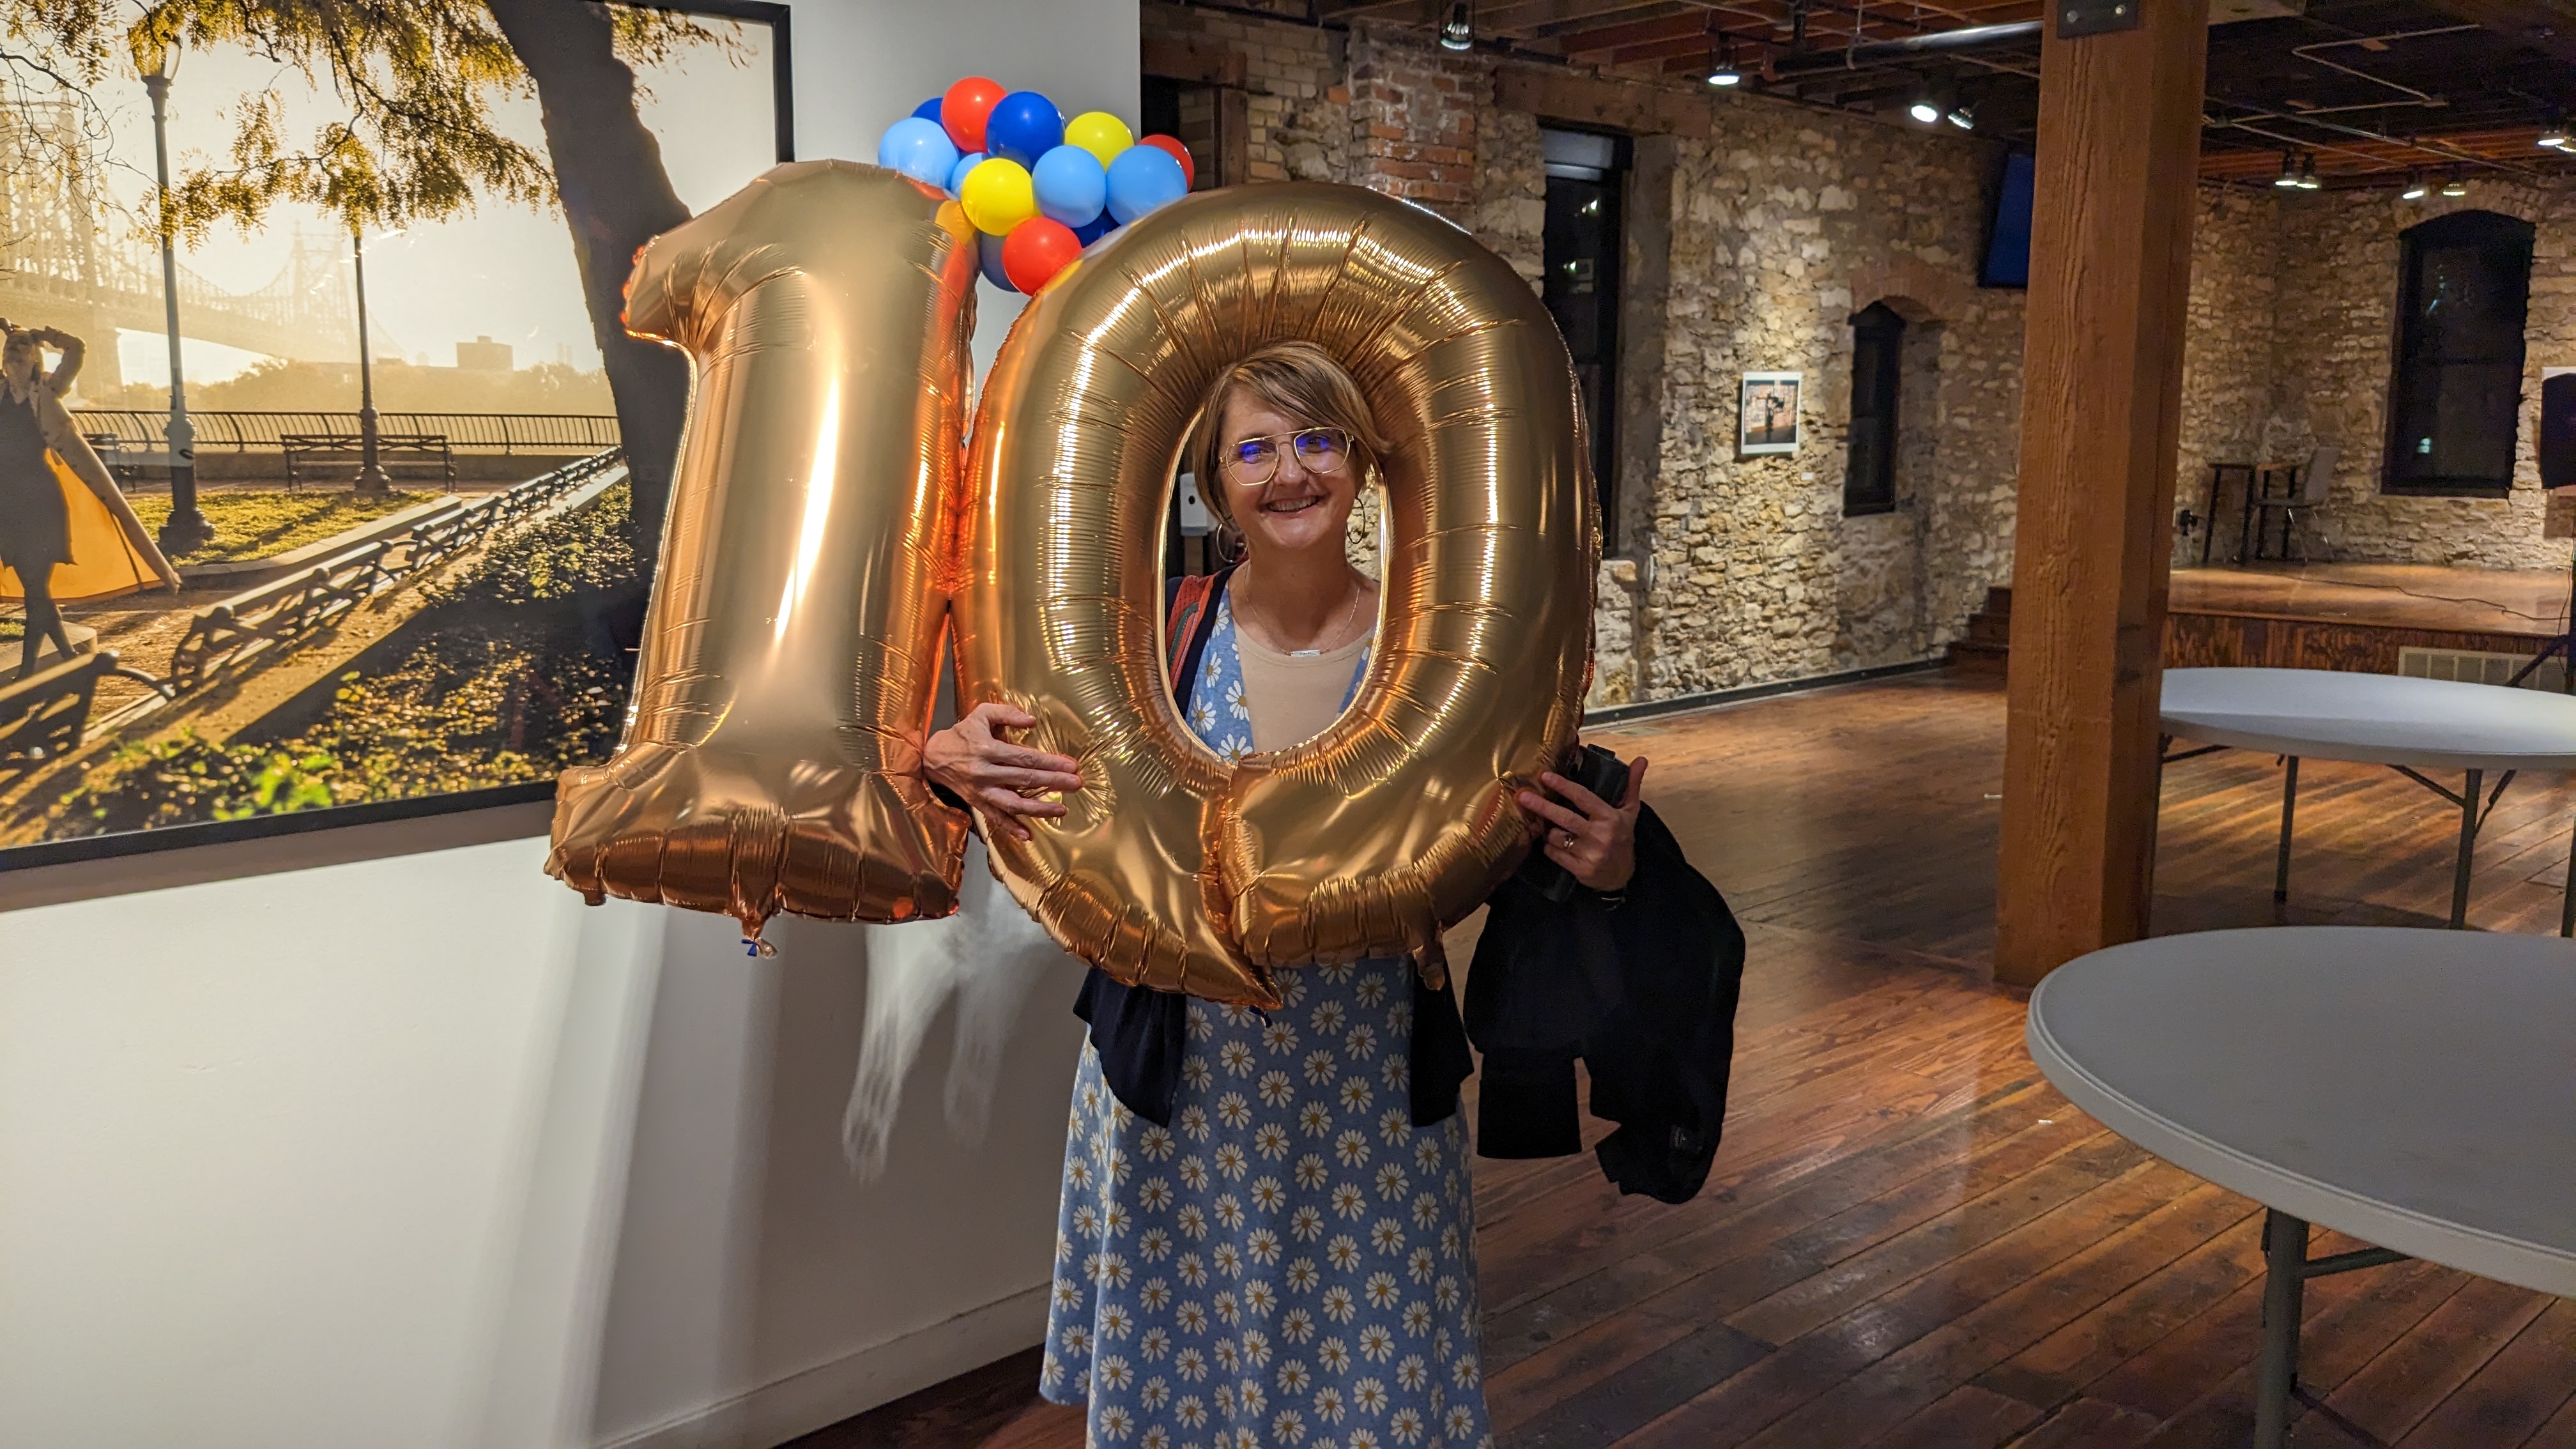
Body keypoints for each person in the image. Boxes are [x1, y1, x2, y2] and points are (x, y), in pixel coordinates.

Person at [925, 341, 1648, 1449]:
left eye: (1316, 439)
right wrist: (949, 751)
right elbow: (1010, 752)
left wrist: (1606, 869)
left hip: (1363, 1084)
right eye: (1252, 448)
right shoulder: (1151, 635)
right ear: (1215, 483)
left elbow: (1522, 832)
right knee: (1185, 1392)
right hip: (1178, 1084)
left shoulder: (1439, 648)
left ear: (1361, 463)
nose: (1288, 473)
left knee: (1373, 1387)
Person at [0, 324, 84, 678]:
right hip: (6, 500)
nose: (13, 350)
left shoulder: (46, 389)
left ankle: (28, 673)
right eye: (9, 346)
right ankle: (70, 661)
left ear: (35, 356)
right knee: (34, 588)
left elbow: (77, 349)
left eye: (21, 346)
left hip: (41, 498)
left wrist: (50, 336)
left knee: (36, 586)